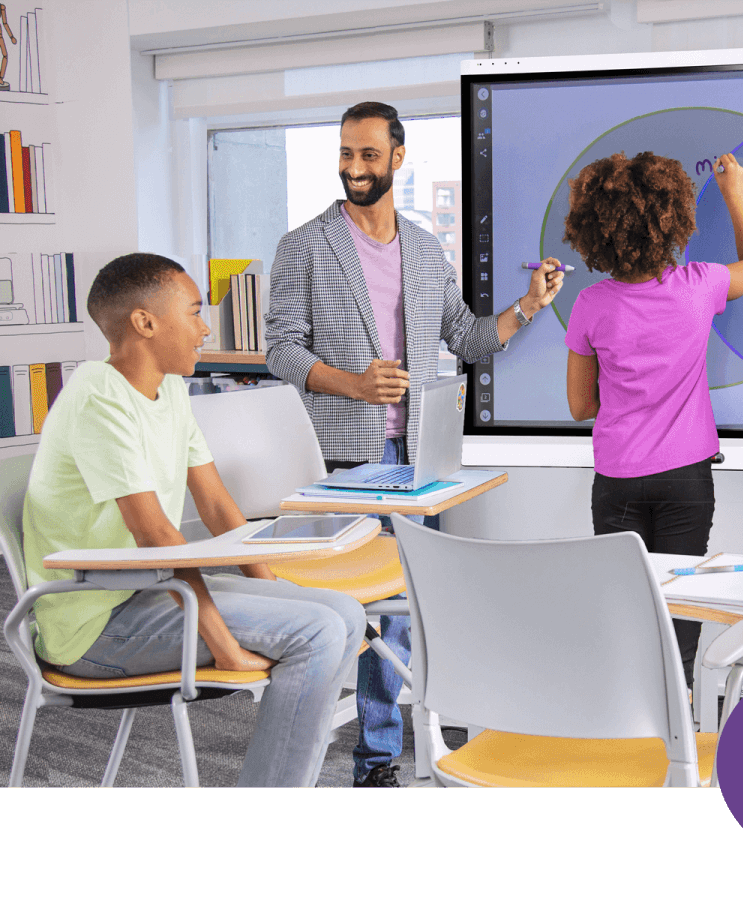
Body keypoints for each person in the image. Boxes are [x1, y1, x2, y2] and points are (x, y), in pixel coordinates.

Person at [266, 100, 563, 787]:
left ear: (398, 157)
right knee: (358, 608)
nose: (354, 168)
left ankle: (378, 758)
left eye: (368, 155)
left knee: (403, 610)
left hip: (419, 459)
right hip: (345, 456)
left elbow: (464, 338)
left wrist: (528, 306)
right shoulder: (305, 245)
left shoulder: (426, 247)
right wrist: (352, 384)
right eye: (346, 154)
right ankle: (355, 754)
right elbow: (279, 348)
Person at [22, 253, 367, 787]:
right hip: (93, 627)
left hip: (145, 596)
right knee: (318, 633)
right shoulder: (98, 395)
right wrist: (223, 644)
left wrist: (273, 589)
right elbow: (157, 536)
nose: (205, 328)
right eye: (194, 312)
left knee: (343, 612)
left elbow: (217, 506)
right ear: (145, 322)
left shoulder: (171, 390)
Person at [563, 151, 743, 688]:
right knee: (680, 620)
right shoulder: (699, 285)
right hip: (687, 482)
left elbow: (581, 407)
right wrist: (733, 195)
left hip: (617, 481)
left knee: (629, 616)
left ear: (593, 230)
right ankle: (680, 748)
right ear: (671, 219)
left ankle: (630, 740)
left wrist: (628, 393)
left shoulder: (589, 305)